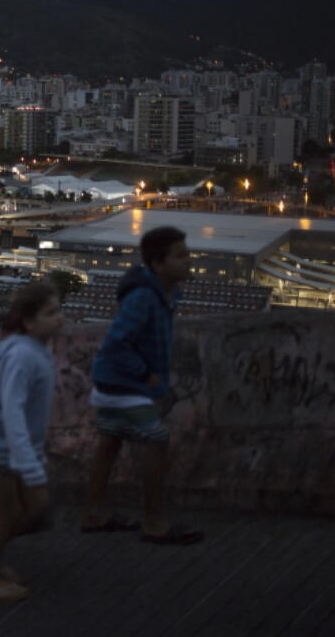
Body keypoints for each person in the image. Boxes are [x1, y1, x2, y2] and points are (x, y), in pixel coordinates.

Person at [80, 226, 202, 546]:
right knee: (156, 442)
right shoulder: (143, 297)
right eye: (181, 256)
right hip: (124, 384)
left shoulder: (166, 293)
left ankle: (94, 514)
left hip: (112, 383)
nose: (189, 261)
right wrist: (146, 374)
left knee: (109, 444)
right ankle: (154, 521)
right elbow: (116, 344)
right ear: (157, 264)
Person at [0, 281, 62, 602]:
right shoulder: (23, 355)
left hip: (10, 447)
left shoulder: (35, 350)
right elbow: (12, 411)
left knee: (35, 508)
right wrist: (27, 462)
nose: (59, 318)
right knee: (7, 514)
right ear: (28, 321)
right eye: (51, 313)